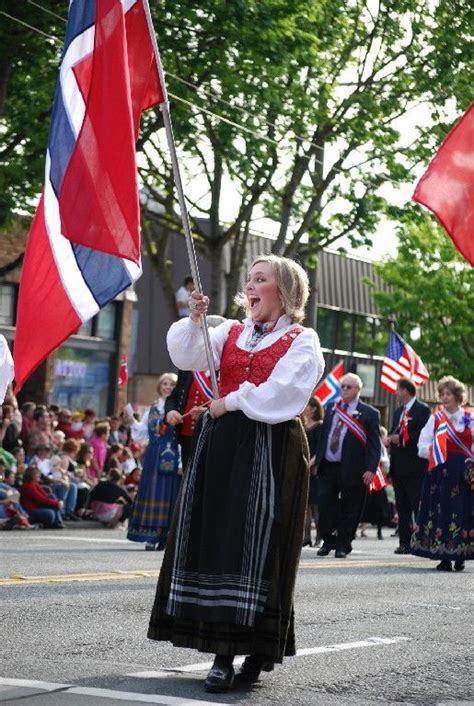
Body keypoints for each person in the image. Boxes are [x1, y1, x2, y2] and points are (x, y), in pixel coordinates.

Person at [147, 255, 324, 694]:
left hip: (270, 447)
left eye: (260, 280)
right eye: (248, 279)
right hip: (223, 447)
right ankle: (222, 654)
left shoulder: (303, 339)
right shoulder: (229, 332)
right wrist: (194, 317)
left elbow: (282, 393)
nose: (250, 286)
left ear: (283, 291)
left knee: (261, 544)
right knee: (220, 541)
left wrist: (232, 401)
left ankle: (256, 649)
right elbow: (187, 354)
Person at [314, 373, 381, 558]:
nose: (343, 389)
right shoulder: (332, 408)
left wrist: (371, 468)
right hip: (328, 465)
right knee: (325, 503)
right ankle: (328, 539)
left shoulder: (370, 413)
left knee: (351, 507)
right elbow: (324, 436)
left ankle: (343, 544)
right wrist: (317, 460)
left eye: (348, 387)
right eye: (342, 386)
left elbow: (374, 444)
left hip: (353, 467)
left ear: (358, 390)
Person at [411, 376, 473, 572]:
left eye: (448, 394)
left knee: (462, 511)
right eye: (442, 394)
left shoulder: (470, 419)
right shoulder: (435, 418)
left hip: (462, 474)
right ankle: (443, 556)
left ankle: (460, 555)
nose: (444, 397)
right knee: (441, 511)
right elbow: (423, 443)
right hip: (440, 474)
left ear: (458, 396)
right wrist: (432, 451)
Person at [126, 373, 182, 551]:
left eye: (171, 384)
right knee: (152, 491)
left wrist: (181, 461)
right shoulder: (153, 407)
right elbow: (142, 432)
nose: (167, 387)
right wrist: (131, 421)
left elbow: (182, 435)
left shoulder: (179, 407)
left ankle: (165, 536)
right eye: (165, 384)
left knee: (168, 493)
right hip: (153, 454)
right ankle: (150, 535)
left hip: (171, 453)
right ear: (159, 386)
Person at [165, 315, 227, 469]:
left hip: (212, 437)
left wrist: (206, 412)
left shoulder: (227, 368)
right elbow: (175, 396)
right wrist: (171, 411)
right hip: (187, 437)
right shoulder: (188, 365)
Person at [387, 377, 430, 554]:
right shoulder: (398, 412)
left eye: (398, 389)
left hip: (414, 467)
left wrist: (404, 439)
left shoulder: (422, 410)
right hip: (398, 466)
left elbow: (423, 434)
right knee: (402, 506)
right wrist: (389, 438)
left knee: (416, 505)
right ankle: (404, 542)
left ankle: (421, 541)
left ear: (405, 390)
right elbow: (394, 431)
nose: (396, 393)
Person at [302, 396, 324, 547]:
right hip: (304, 470)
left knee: (316, 506)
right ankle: (306, 537)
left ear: (314, 408)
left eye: (307, 405)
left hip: (315, 470)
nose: (304, 408)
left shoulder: (320, 425)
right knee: (306, 507)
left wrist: (310, 463)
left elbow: (320, 449)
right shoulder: (302, 425)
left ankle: (319, 537)